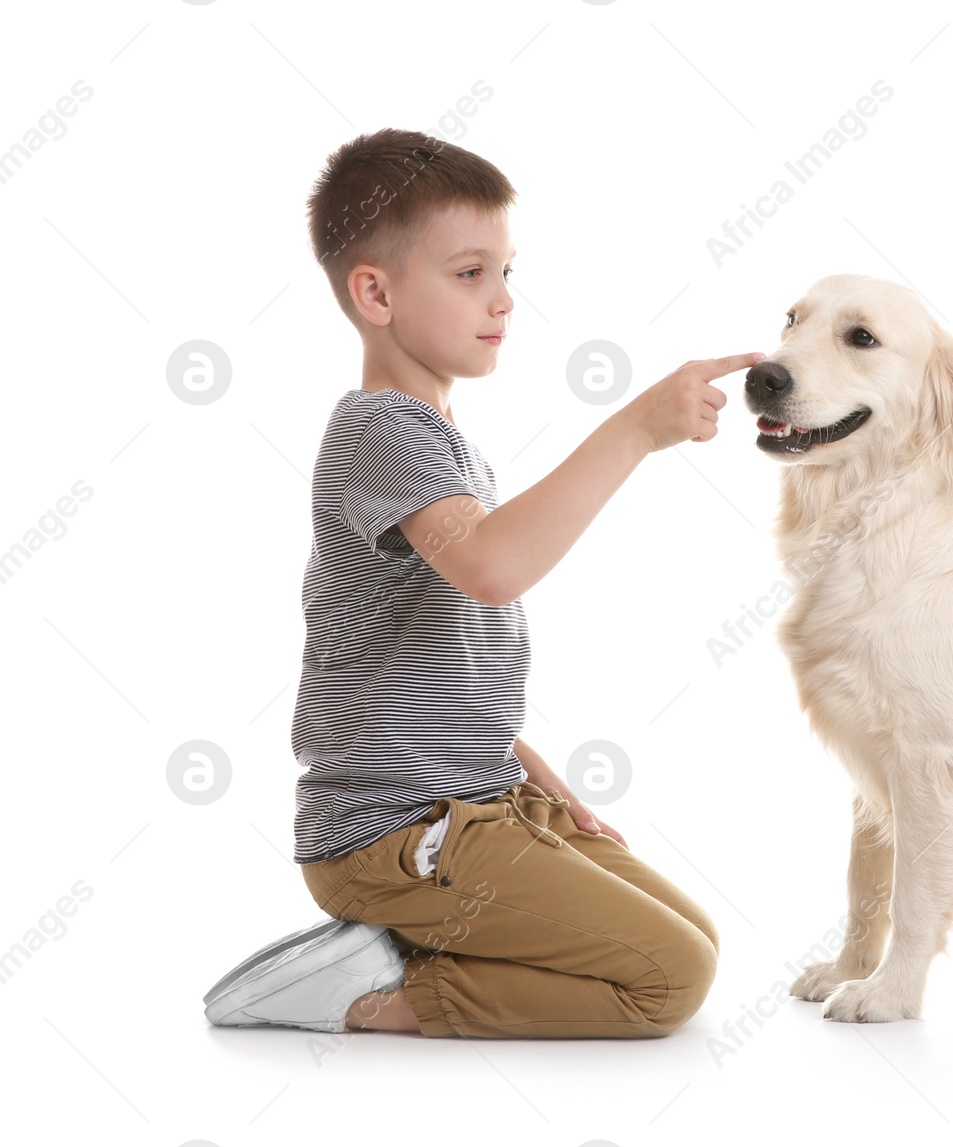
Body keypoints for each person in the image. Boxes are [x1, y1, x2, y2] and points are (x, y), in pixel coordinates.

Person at [202, 127, 763, 1038]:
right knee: (670, 977)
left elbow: (451, 676)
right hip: (387, 836)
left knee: (689, 932)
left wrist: (550, 787)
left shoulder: (442, 446)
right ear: (375, 292)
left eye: (507, 272)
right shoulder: (380, 432)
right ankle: (366, 995)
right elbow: (495, 569)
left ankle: (399, 943)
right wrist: (637, 429)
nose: (503, 301)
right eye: (470, 274)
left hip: (479, 801)